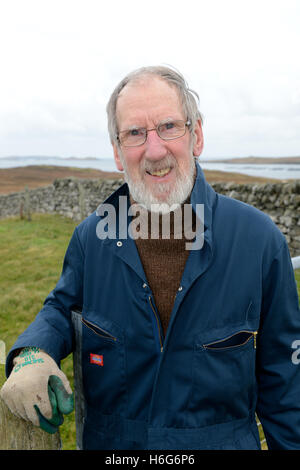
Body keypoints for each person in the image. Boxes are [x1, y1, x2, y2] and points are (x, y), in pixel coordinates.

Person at [1, 65, 300, 450]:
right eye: (135, 133)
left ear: (197, 136)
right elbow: (62, 307)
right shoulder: (92, 238)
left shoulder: (259, 242)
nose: (154, 149)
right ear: (116, 152)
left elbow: (286, 382)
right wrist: (33, 350)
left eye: (169, 126)